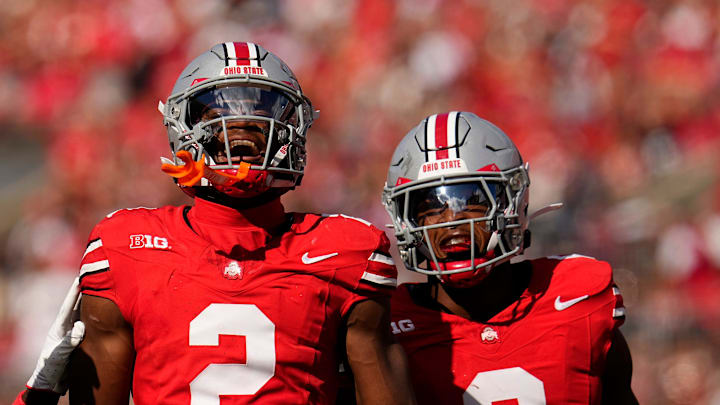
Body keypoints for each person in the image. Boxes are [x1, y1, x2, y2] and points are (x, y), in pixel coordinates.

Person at [15, 42, 416, 405]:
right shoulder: (125, 247)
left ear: (292, 131)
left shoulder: (347, 251)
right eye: (219, 111)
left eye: (260, 110)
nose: (239, 124)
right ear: (181, 128)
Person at [381, 111, 638, 404]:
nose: (452, 219)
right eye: (431, 205)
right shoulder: (388, 325)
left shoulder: (578, 299)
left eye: (471, 199)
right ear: (405, 219)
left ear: (512, 201)